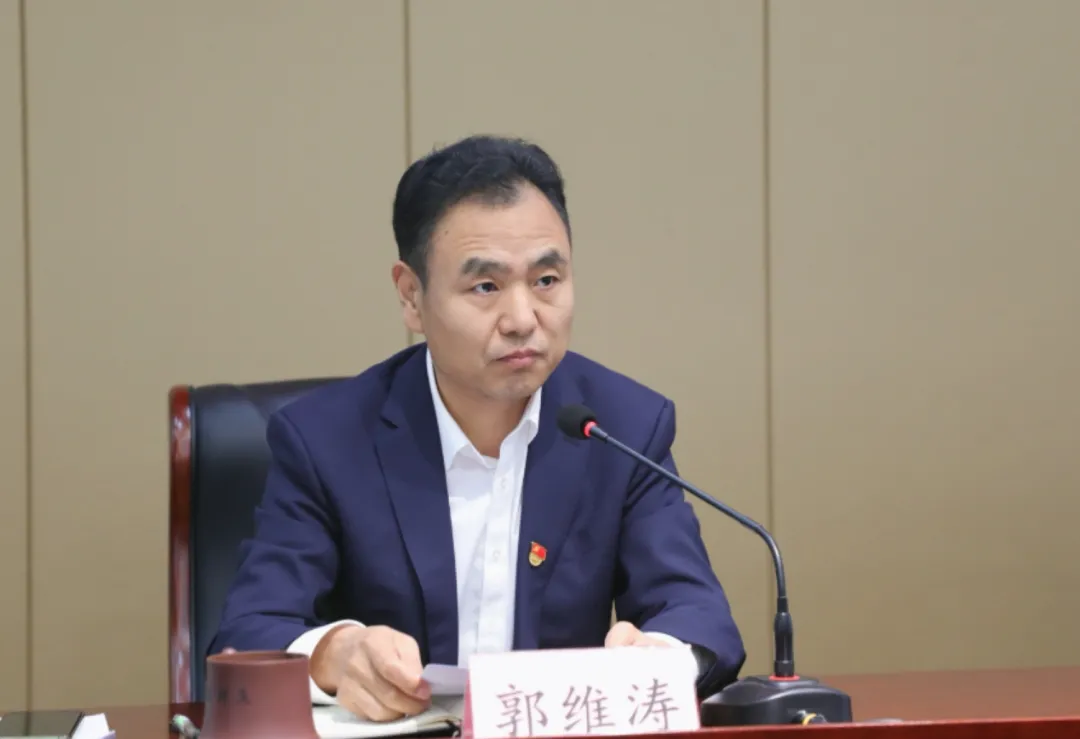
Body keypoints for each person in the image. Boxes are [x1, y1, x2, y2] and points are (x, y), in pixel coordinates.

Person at [209, 134, 745, 721]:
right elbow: (249, 630)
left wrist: (657, 658)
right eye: (485, 287)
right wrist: (336, 654)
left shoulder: (622, 427)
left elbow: (697, 615)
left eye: (546, 280)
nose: (522, 319)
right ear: (412, 297)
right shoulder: (326, 440)